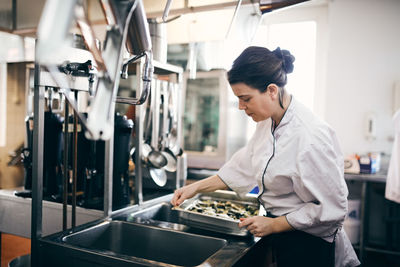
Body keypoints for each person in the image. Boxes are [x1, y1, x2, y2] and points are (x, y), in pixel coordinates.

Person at [171, 46, 360, 267]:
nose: (241, 107)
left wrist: (275, 225)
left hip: (310, 243)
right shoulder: (269, 122)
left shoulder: (311, 136)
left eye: (246, 99)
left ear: (271, 90)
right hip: (281, 234)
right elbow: (244, 166)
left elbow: (333, 209)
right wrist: (195, 188)